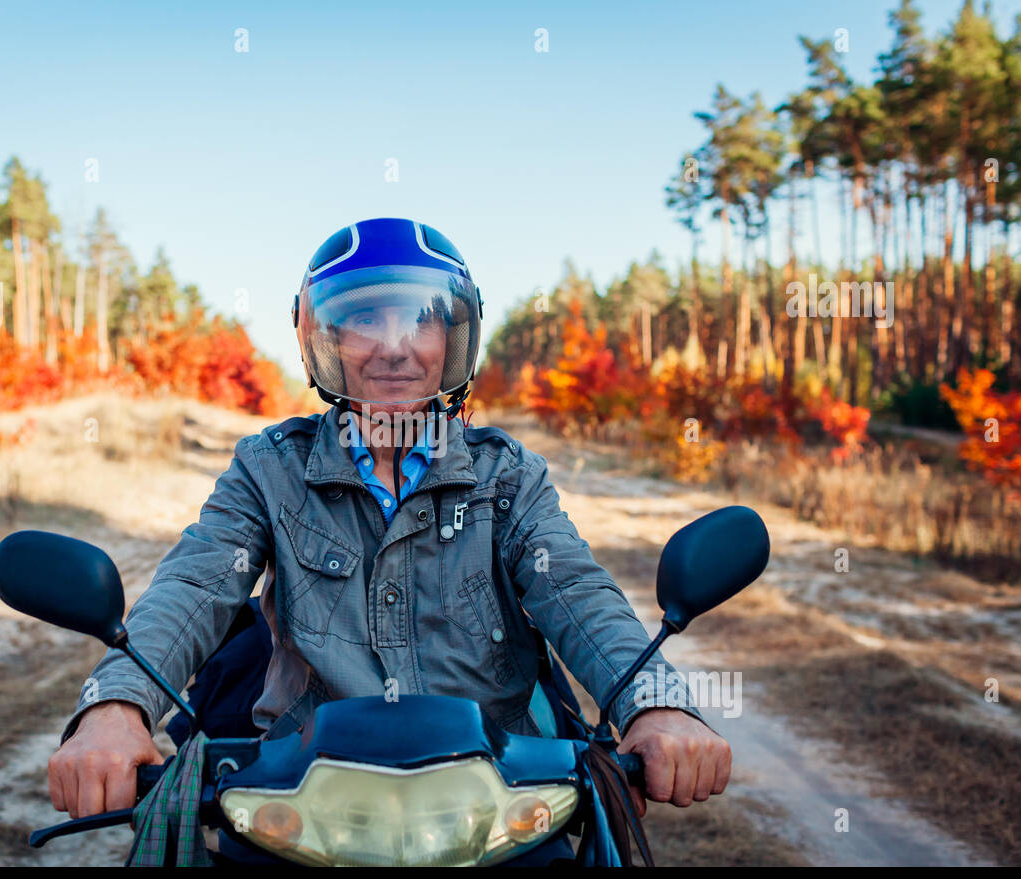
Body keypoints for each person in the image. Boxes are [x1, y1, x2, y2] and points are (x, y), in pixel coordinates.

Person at [48, 218, 730, 838]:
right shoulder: (268, 469)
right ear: (326, 342)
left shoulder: (507, 476)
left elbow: (577, 593)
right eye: (364, 319)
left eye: (422, 320)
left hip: (498, 810)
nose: (395, 349)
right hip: (306, 808)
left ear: (453, 339)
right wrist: (116, 706)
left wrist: (656, 705)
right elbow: (196, 584)